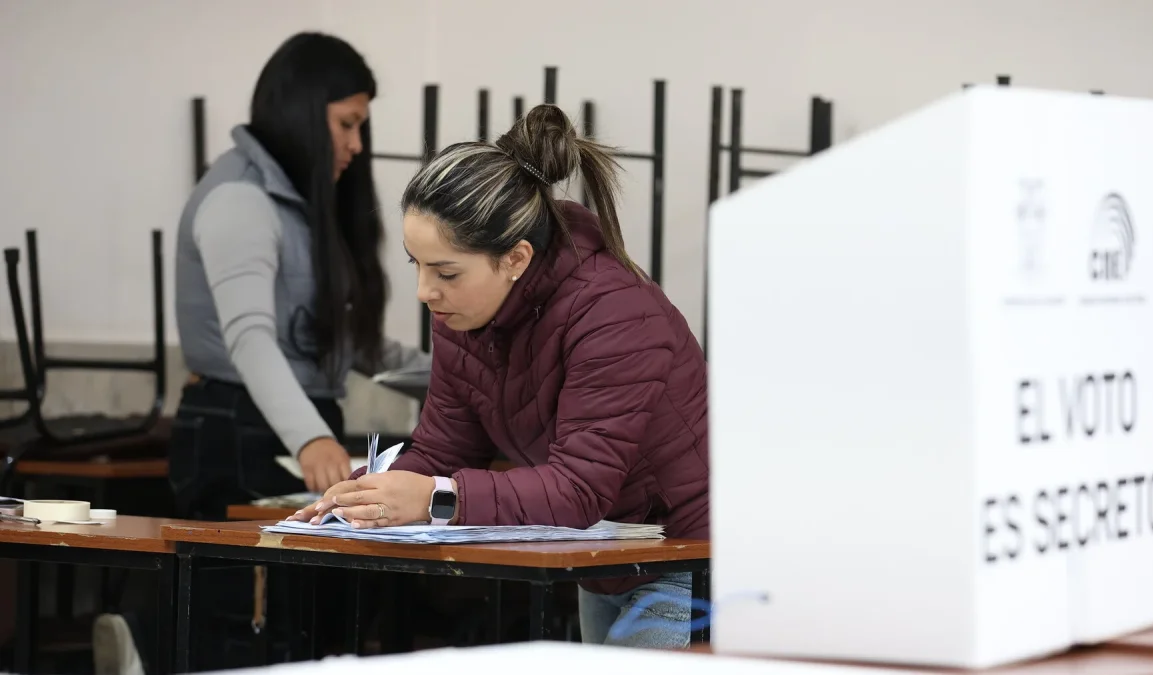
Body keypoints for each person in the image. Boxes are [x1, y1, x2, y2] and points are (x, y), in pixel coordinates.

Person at [291, 104, 709, 649]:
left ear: (515, 258)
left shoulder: (614, 312)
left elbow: (578, 489)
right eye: (416, 264)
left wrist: (434, 498)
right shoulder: (463, 314)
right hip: (607, 558)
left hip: (689, 560)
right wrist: (364, 497)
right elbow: (444, 449)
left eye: (446, 272)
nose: (424, 292)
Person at [93, 32, 429, 675]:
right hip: (239, 427)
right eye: (347, 124)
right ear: (302, 113)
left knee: (316, 610)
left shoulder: (304, 205)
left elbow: (349, 344)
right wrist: (309, 438)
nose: (358, 144)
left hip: (296, 425)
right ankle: (145, 642)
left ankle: (148, 642)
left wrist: (461, 376)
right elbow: (250, 338)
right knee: (244, 616)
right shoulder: (240, 198)